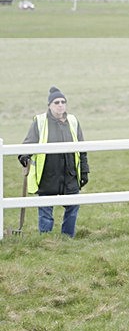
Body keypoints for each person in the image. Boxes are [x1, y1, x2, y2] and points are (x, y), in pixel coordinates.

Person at [18, 86, 90, 238]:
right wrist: (24, 156)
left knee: (73, 207)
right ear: (49, 105)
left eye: (63, 102)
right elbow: (29, 143)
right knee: (45, 210)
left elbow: (82, 149)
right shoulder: (40, 122)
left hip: (70, 173)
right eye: (56, 102)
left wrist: (84, 171)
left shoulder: (73, 121)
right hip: (48, 174)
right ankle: (46, 240)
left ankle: (67, 238)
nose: (60, 105)